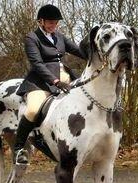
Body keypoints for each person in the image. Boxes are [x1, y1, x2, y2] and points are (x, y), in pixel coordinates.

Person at [14, 4, 88, 165]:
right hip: (41, 82)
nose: (53, 25)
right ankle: (18, 148)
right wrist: (54, 81)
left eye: (55, 22)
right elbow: (37, 64)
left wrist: (95, 54)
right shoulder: (32, 38)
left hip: (66, 79)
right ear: (40, 21)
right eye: (50, 22)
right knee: (33, 110)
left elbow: (78, 51)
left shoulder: (60, 37)